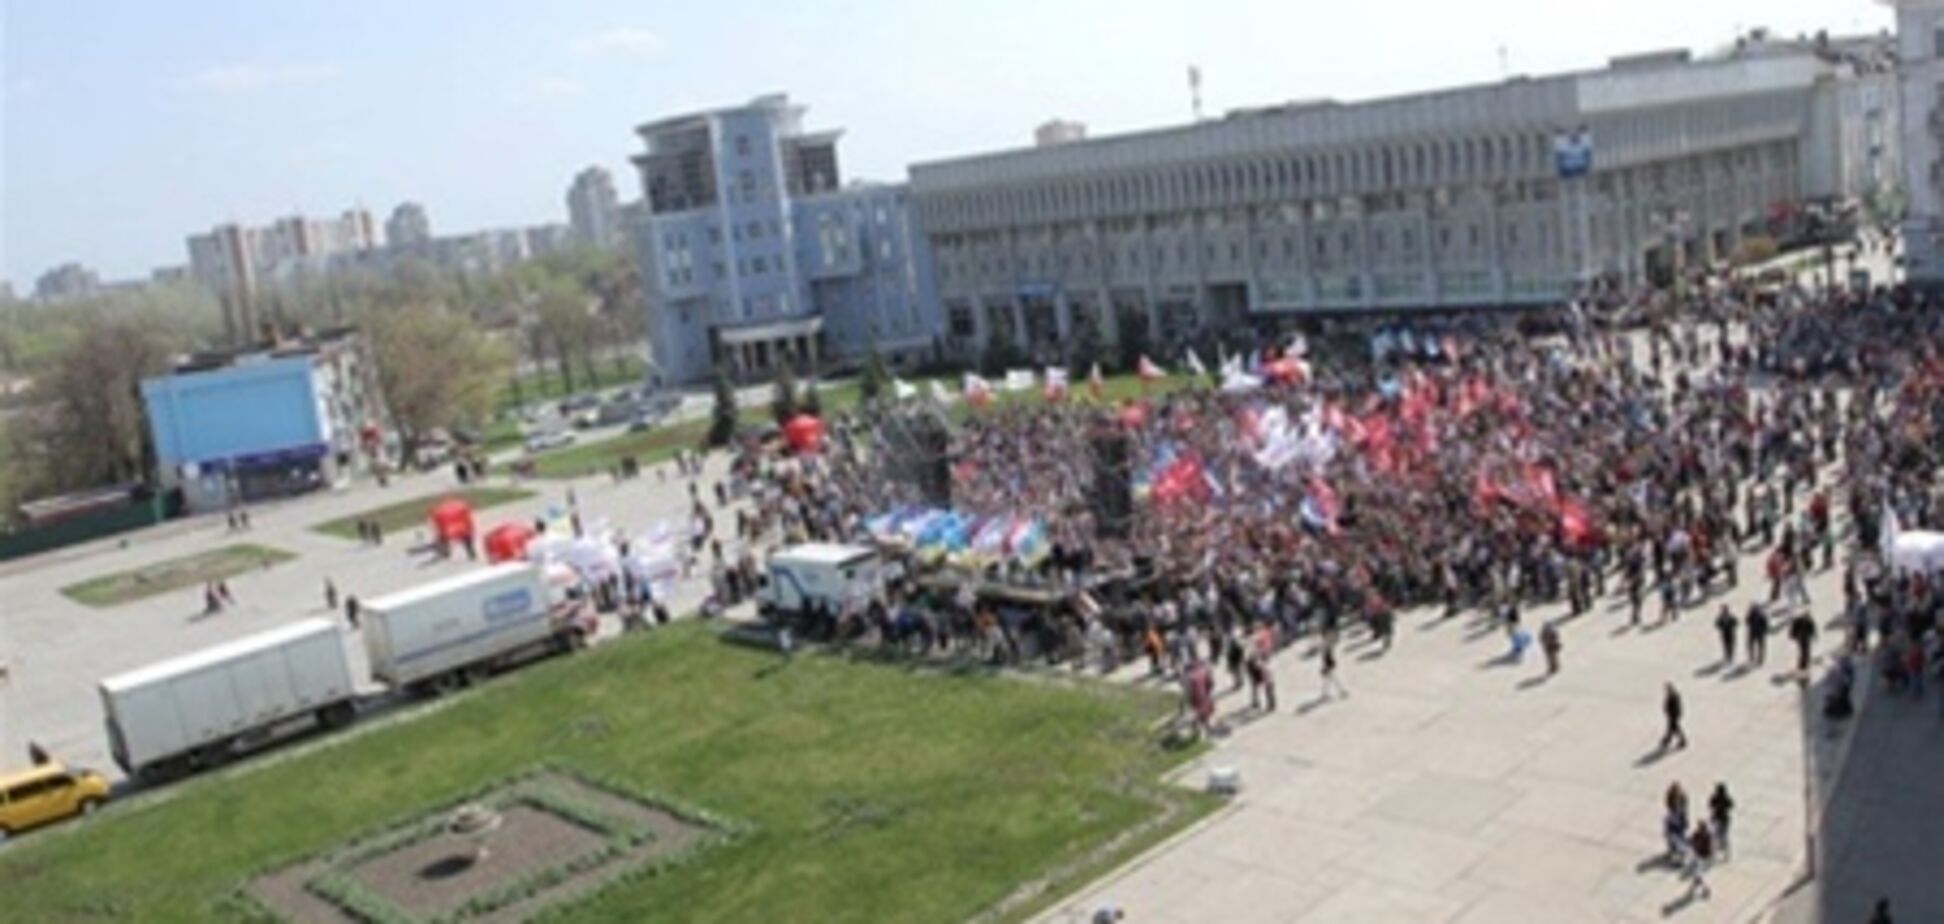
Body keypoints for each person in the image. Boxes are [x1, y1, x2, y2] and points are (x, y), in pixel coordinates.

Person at [1686, 819, 1715, 899]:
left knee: (1698, 876)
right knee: (1697, 875)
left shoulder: (1704, 836)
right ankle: (1694, 889)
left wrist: (1693, 843)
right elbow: (1691, 841)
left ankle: (1705, 890)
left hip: (1702, 857)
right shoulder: (1702, 834)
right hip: (1700, 856)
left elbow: (1696, 843)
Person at [1708, 783, 1735, 859]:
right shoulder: (1725, 798)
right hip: (1723, 819)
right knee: (1722, 836)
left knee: (1717, 836)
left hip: (1719, 819)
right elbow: (1731, 806)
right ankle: (1724, 853)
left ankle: (1718, 852)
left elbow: (1710, 805)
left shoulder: (1716, 798)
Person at [1660, 683, 1688, 751]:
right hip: (1671, 715)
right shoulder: (1670, 696)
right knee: (1672, 728)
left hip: (1674, 715)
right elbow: (1667, 705)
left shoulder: (1674, 696)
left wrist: (1674, 713)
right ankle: (1668, 740)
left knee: (1674, 728)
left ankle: (1681, 741)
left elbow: (1676, 707)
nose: (1667, 691)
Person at [1789, 610, 1818, 674]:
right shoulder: (1802, 621)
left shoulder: (1805, 621)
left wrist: (1793, 635)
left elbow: (1812, 630)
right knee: (1804, 651)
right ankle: (1804, 664)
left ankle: (1803, 664)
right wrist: (1793, 635)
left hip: (1803, 638)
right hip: (1802, 638)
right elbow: (1812, 630)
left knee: (1804, 651)